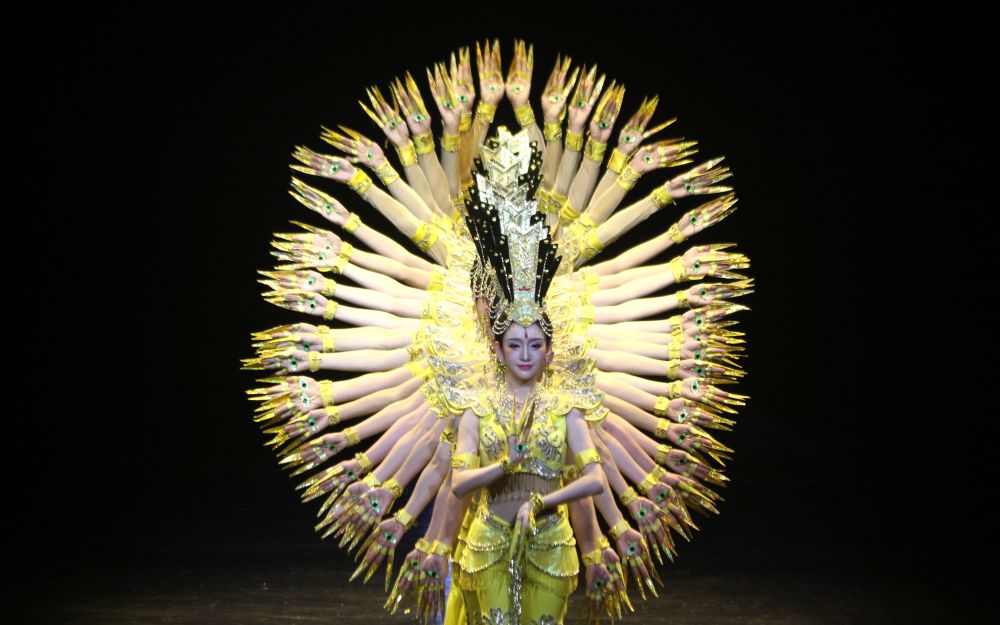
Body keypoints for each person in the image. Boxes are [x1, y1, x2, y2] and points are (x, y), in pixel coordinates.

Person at [243, 40, 751, 624]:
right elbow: (450, 480)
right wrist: (434, 537)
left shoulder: (567, 384)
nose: (526, 353)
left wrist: (591, 546)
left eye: (534, 344)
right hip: (486, 533)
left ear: (549, 346)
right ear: (497, 340)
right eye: (515, 343)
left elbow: (586, 471)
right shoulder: (464, 375)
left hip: (547, 538)